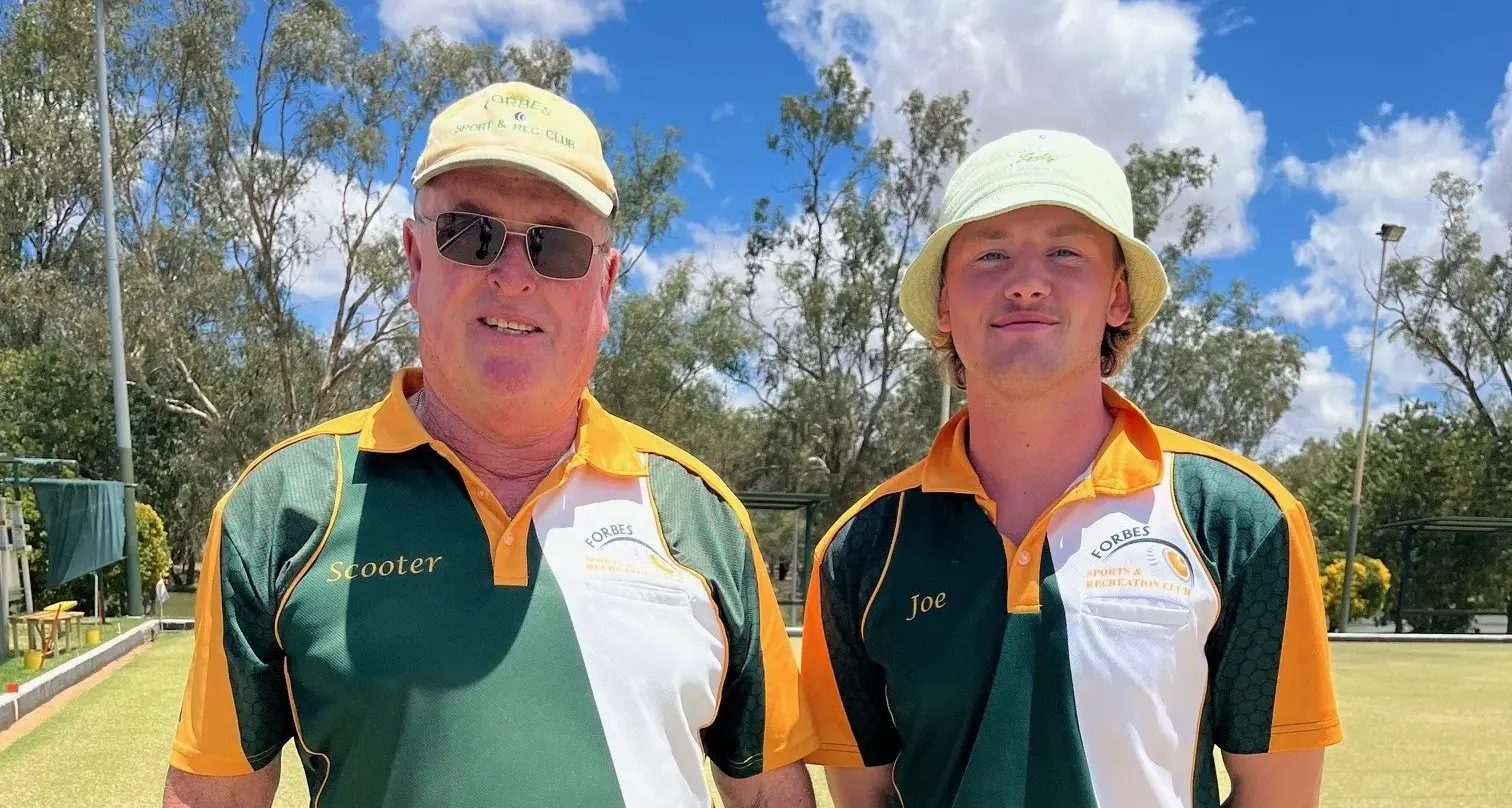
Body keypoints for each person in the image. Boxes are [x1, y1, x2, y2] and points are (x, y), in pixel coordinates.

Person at [164, 81, 818, 808]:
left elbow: (769, 796)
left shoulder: (703, 517)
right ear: (415, 258)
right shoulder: (279, 508)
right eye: (470, 234)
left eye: (556, 245)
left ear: (604, 283)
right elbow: (210, 798)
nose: (512, 277)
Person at [799, 129, 1341, 808]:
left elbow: (1277, 795)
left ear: (1118, 296)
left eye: (1065, 252)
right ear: (944, 303)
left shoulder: (1239, 521)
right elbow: (863, 798)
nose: (1027, 282)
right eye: (991, 254)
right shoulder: (859, 548)